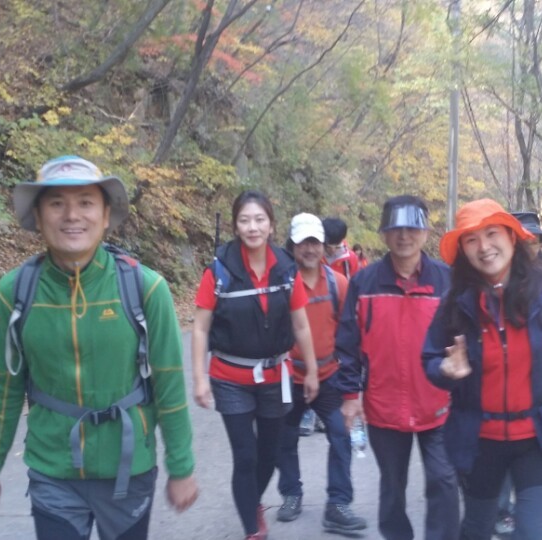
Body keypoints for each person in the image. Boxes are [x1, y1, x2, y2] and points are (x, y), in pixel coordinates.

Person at [0, 155, 198, 540]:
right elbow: (2, 387)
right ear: (38, 216)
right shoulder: (14, 293)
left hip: (128, 469)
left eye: (86, 202)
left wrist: (182, 467)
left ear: (106, 215)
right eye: (56, 203)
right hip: (53, 469)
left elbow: (170, 386)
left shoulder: (146, 289)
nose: (72, 215)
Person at [422, 198, 542, 540]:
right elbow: (428, 359)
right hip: (479, 440)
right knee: (477, 528)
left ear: (512, 237)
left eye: (492, 234)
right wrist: (444, 368)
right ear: (463, 250)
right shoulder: (456, 302)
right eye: (471, 239)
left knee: (531, 533)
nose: (484, 247)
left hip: (536, 439)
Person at [191, 190, 320, 540]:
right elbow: (200, 327)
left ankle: (253, 501)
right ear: (235, 226)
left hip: (275, 375)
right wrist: (199, 378)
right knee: (245, 456)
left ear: (271, 225)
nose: (252, 227)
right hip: (230, 377)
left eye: (259, 220)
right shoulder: (219, 271)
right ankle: (252, 528)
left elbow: (301, 324)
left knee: (269, 453)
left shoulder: (286, 269)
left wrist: (310, 370)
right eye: (245, 220)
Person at [334, 195, 460, 540]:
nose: (404, 236)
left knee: (444, 480)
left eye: (412, 228)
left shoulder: (447, 281)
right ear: (384, 234)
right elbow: (347, 343)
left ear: (426, 232)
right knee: (392, 484)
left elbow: (464, 338)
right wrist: (350, 395)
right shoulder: (365, 283)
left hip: (438, 403)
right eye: (396, 229)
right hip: (384, 405)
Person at [274, 213, 368, 536]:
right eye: (303, 243)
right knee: (285, 438)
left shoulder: (338, 284)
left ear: (324, 245)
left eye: (315, 242)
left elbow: (350, 335)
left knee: (341, 435)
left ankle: (338, 504)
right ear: (292, 246)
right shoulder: (282, 284)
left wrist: (353, 384)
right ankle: (291, 494)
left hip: (329, 376)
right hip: (290, 377)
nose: (310, 249)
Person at [494, 211, 542, 537]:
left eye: (536, 241)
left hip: (540, 403)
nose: (532, 246)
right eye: (526, 240)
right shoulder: (492, 285)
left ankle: (517, 514)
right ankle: (501, 512)